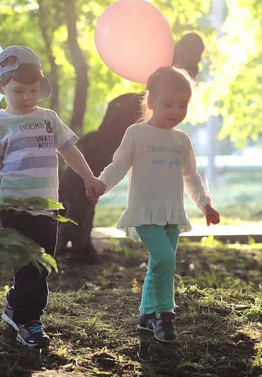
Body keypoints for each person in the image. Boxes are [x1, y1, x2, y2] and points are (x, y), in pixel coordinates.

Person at [0, 45, 105, 348]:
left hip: (47, 207)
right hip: (14, 205)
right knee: (29, 263)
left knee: (45, 262)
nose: (26, 97)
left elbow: (70, 151)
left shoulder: (48, 118)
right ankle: (29, 321)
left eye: (33, 90)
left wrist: (89, 176)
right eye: (18, 91)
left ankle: (14, 302)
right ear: (1, 88)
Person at [90, 66, 220, 343]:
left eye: (182, 105)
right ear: (150, 101)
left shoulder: (181, 140)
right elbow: (118, 165)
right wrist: (101, 184)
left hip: (172, 213)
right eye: (168, 104)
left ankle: (146, 315)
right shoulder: (137, 133)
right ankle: (164, 315)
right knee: (165, 259)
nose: (175, 110)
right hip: (145, 211)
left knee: (158, 265)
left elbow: (191, 177)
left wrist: (205, 205)